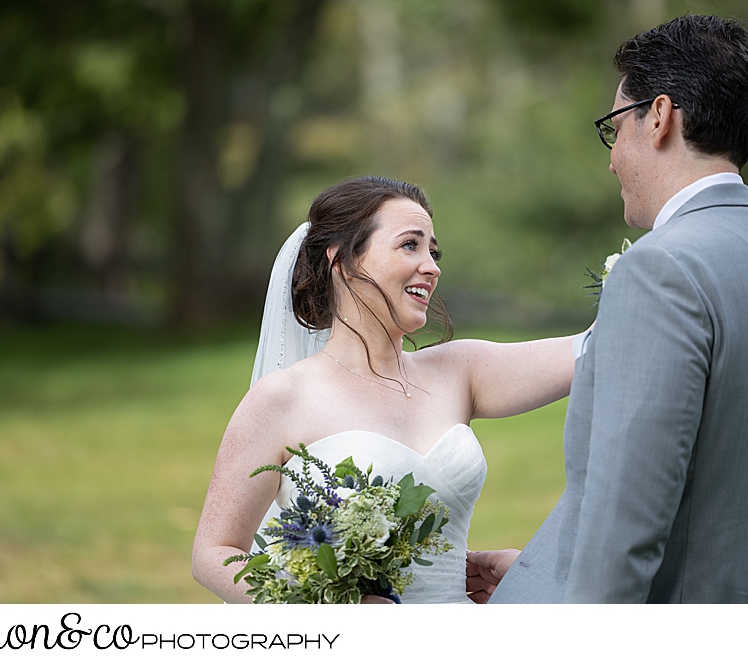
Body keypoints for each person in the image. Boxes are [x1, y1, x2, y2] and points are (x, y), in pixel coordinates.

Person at [467, 14, 748, 603]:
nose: (611, 160)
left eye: (614, 129)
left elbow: (623, 538)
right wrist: (543, 578)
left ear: (658, 117)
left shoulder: (659, 270)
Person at [192, 175, 580, 604]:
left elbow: (594, 350)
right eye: (410, 245)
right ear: (342, 260)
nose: (432, 266)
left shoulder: (461, 369)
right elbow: (215, 553)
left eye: (434, 251)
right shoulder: (282, 399)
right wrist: (321, 609)